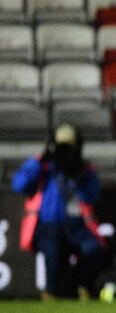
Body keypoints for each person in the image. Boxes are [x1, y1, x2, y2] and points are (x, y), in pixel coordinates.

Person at [12, 124, 106, 301]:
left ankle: (83, 287)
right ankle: (51, 294)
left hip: (77, 226)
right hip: (48, 226)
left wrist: (78, 173)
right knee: (54, 261)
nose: (65, 151)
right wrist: (42, 160)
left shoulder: (83, 168)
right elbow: (19, 185)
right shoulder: (43, 165)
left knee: (95, 251)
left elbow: (92, 196)